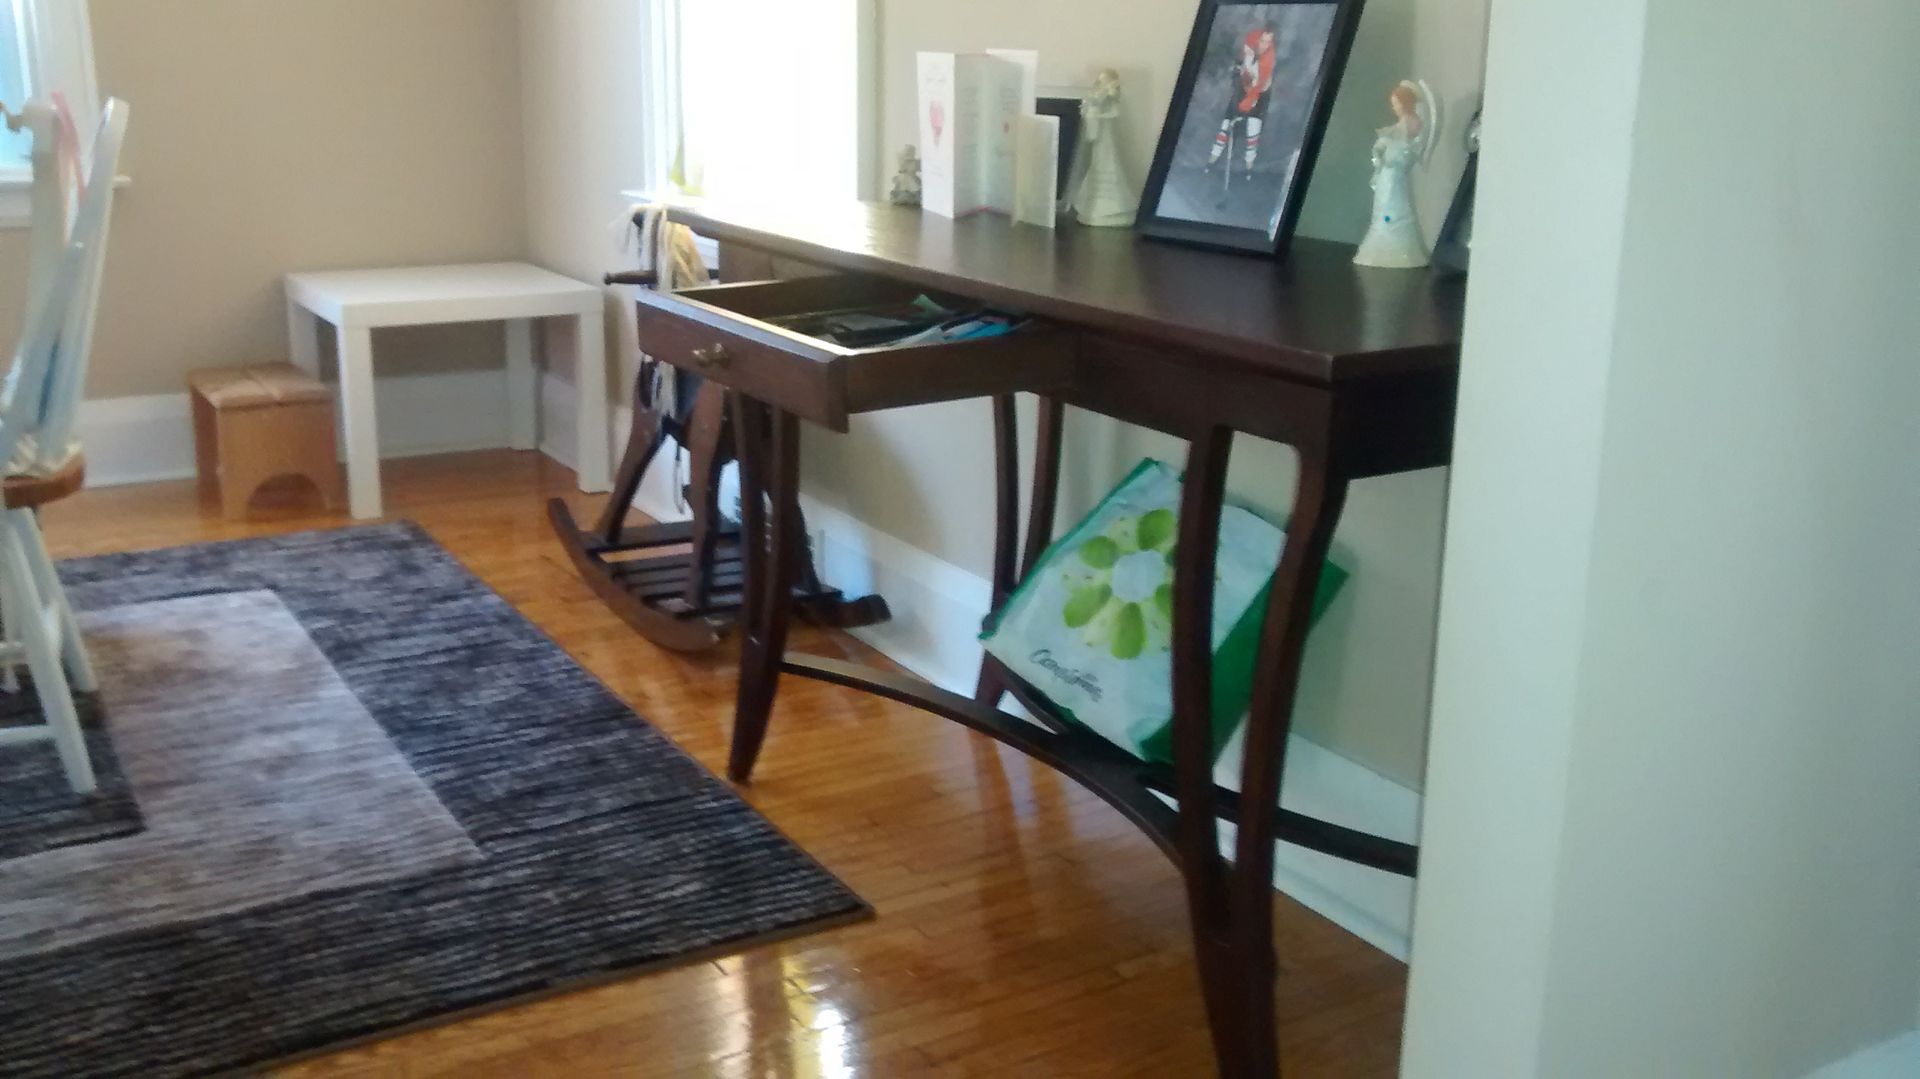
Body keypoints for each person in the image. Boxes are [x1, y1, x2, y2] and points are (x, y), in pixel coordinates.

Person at [1207, 27, 1277, 175]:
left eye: (1268, 42)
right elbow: (1239, 66)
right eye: (1263, 40)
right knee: (1225, 127)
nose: (1264, 45)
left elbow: (1260, 85)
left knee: (1253, 131)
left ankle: (1248, 170)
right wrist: (1237, 70)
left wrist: (1250, 100)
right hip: (1240, 93)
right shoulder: (1249, 46)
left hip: (1258, 99)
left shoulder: (1268, 61)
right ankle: (1210, 163)